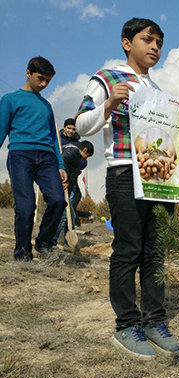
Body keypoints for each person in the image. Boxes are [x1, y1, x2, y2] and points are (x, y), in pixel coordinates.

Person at [75, 18, 179, 359]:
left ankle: (155, 320)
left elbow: (165, 143)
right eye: (148, 40)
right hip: (124, 174)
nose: (155, 47)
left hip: (157, 179)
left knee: (155, 252)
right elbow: (81, 124)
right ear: (127, 43)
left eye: (159, 41)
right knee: (128, 249)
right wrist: (110, 103)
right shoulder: (108, 77)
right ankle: (126, 324)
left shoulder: (157, 93)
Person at [0, 56, 67, 260]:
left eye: (48, 80)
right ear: (28, 73)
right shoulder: (10, 99)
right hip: (21, 155)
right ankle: (22, 254)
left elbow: (55, 139)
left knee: (58, 200)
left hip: (47, 158)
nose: (44, 84)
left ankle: (44, 243)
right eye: (40, 78)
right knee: (26, 206)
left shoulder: (47, 105)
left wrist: (61, 165)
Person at [53, 140, 94, 246]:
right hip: (61, 187)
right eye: (87, 156)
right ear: (85, 150)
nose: (85, 159)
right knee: (63, 216)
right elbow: (62, 160)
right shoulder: (73, 152)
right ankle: (52, 241)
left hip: (67, 188)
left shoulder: (76, 157)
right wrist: (65, 179)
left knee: (70, 215)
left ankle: (67, 242)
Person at [59, 118, 88, 227]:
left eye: (73, 129)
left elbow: (83, 162)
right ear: (64, 128)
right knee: (58, 207)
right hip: (58, 177)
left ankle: (68, 233)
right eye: (69, 128)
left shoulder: (78, 144)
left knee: (70, 207)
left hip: (72, 179)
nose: (71, 131)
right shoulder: (57, 140)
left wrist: (76, 163)